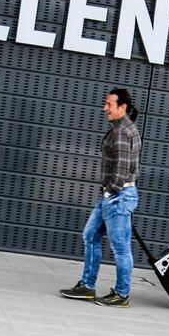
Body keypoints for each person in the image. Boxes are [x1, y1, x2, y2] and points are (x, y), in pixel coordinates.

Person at [59, 88, 142, 308]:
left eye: (109, 104)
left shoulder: (122, 132)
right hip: (114, 194)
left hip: (117, 196)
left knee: (121, 248)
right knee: (90, 235)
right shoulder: (121, 128)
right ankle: (87, 286)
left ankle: (122, 294)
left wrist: (111, 192)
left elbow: (123, 170)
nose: (104, 108)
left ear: (122, 107)